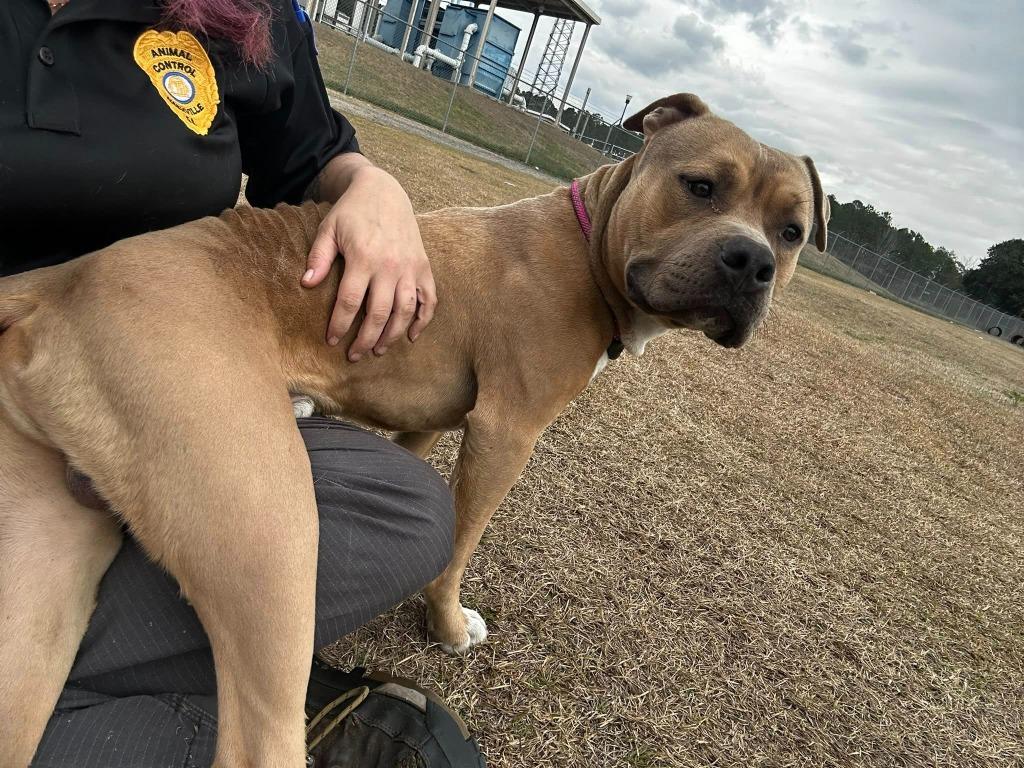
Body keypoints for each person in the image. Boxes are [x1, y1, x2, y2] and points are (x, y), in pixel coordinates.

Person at [0, 1, 469, 764]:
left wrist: (374, 187)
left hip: (164, 343)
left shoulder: (244, 13)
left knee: (406, 507)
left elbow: (311, 152)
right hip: (51, 350)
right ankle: (200, 699)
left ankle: (166, 676)